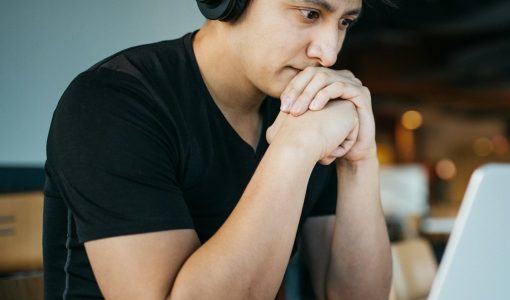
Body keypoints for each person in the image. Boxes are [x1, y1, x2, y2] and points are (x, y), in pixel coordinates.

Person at [42, 0, 391, 299]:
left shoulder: (305, 107)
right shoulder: (113, 102)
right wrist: (294, 149)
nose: (328, 54)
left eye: (345, 22)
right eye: (309, 13)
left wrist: (358, 160)